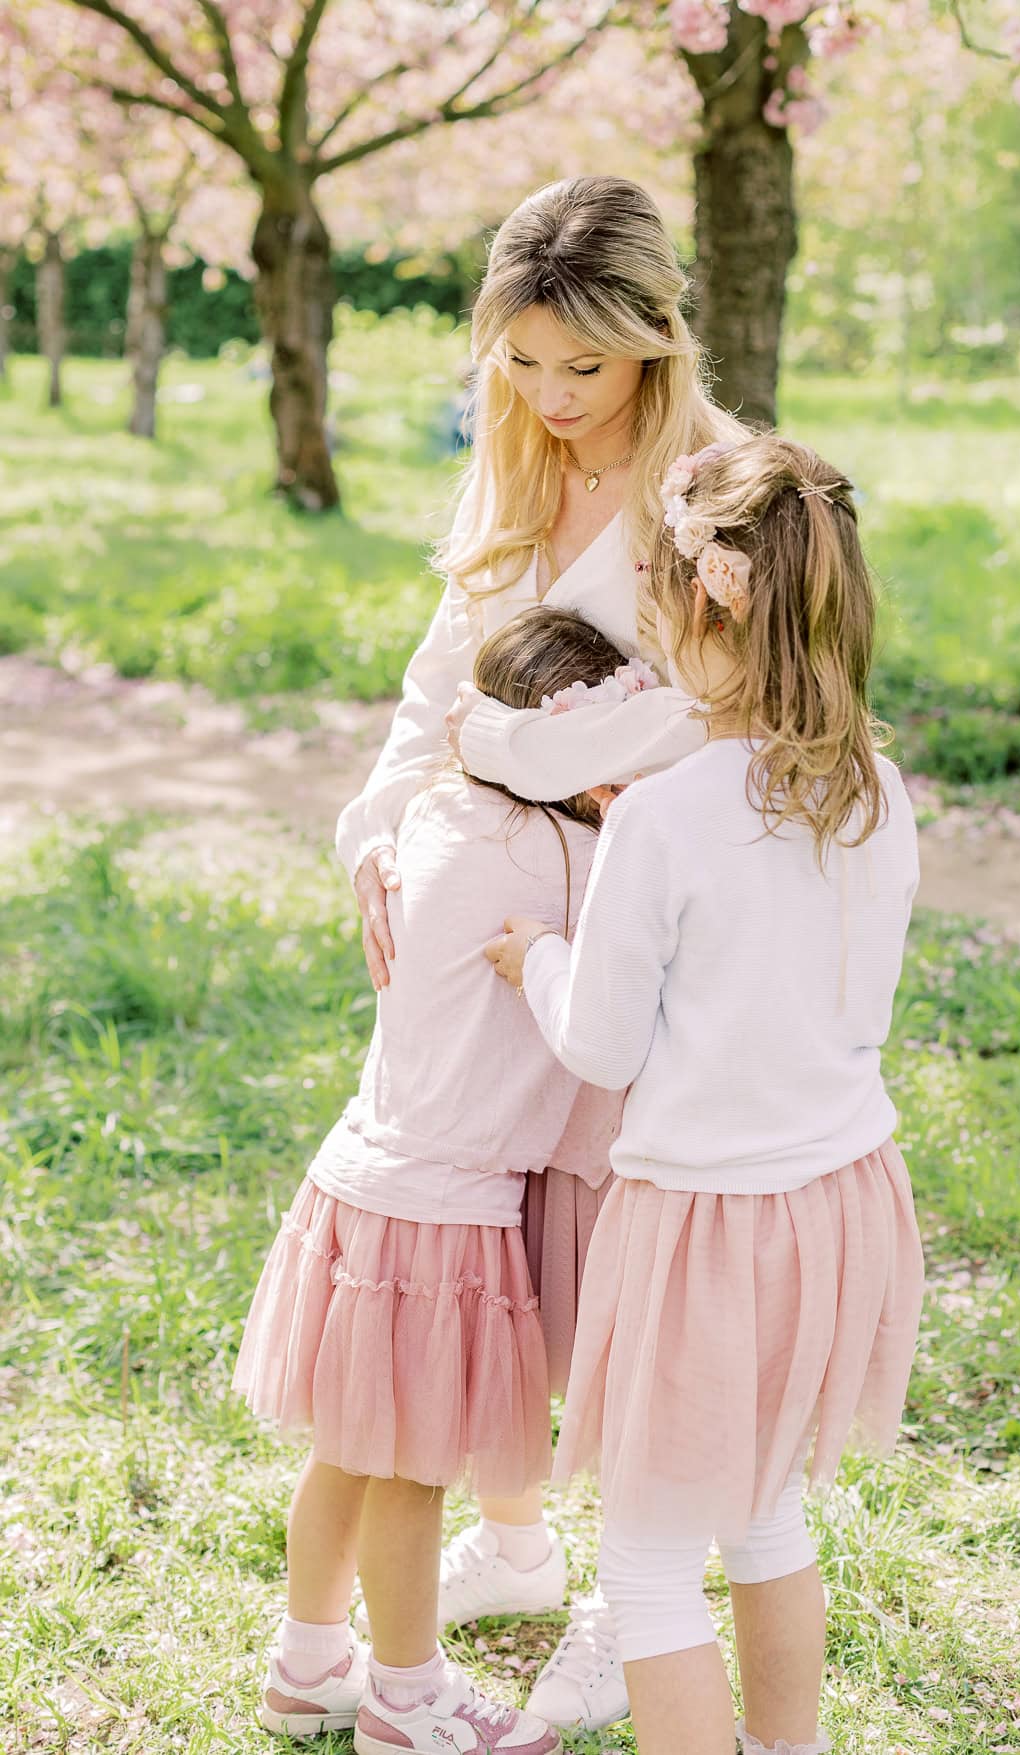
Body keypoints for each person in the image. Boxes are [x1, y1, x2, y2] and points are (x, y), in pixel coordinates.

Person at [336, 172, 747, 1729]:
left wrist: (508, 743)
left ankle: (629, 1590)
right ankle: (509, 1535)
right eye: (522, 360)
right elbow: (435, 675)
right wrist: (380, 823)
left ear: (657, 337)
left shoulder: (714, 484)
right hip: (489, 902)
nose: (556, 397)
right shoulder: (508, 465)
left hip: (636, 924)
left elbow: (717, 707)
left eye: (588, 366)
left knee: (617, 1257)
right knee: (481, 1224)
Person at [486, 435, 925, 1755]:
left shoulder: (663, 816)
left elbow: (603, 1049)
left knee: (650, 1562)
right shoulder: (875, 793)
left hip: (706, 1226)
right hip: (841, 1204)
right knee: (764, 1513)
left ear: (699, 603)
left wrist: (539, 958)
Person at [235, 608, 637, 1754]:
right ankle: (408, 1701)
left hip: (357, 1181)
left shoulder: (433, 815)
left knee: (350, 1453)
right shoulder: (572, 860)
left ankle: (309, 1664)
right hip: (445, 1212)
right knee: (413, 1472)